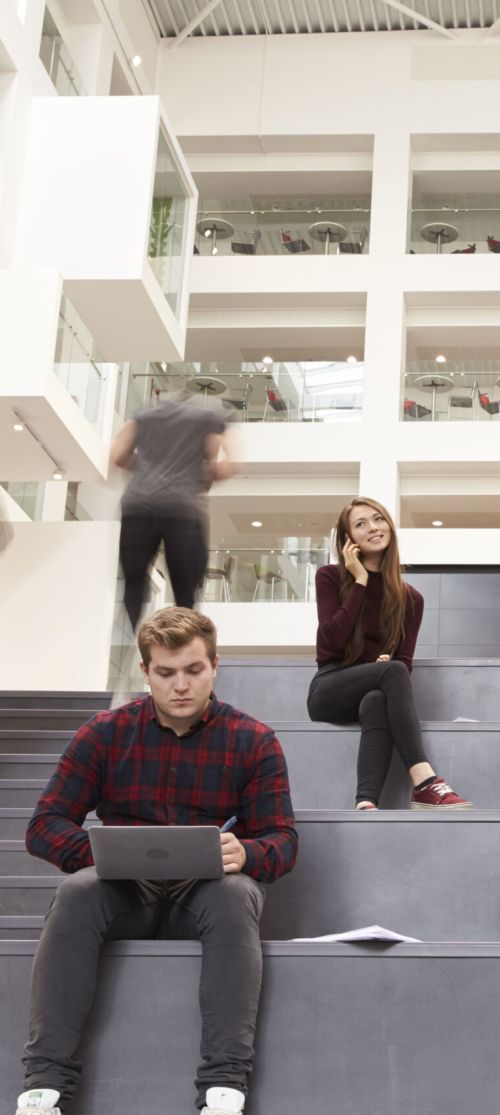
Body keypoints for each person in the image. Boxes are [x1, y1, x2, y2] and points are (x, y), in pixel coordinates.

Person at [17, 608, 297, 1115]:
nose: (181, 686)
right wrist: (104, 854)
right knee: (77, 892)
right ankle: (44, 1089)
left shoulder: (254, 739)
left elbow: (283, 840)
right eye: (166, 673)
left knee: (236, 895)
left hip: (206, 894)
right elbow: (43, 827)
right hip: (124, 893)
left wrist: (248, 851)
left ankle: (223, 1089)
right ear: (145, 673)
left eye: (194, 670)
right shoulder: (103, 733)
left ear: (215, 665)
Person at [307, 497, 470, 810]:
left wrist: (382, 666)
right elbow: (329, 644)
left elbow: (404, 664)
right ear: (348, 540)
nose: (373, 528)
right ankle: (424, 781)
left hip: (373, 688)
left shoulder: (411, 599)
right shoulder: (329, 577)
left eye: (378, 519)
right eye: (360, 524)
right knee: (391, 671)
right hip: (329, 687)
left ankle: (366, 801)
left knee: (378, 698)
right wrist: (360, 582)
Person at [110, 391, 238, 635]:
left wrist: (144, 468)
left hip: (138, 505)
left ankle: (130, 643)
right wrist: (204, 473)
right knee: (186, 594)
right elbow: (232, 462)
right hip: (184, 509)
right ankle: (186, 646)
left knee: (134, 584)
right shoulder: (206, 417)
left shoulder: (143, 415)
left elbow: (117, 456)